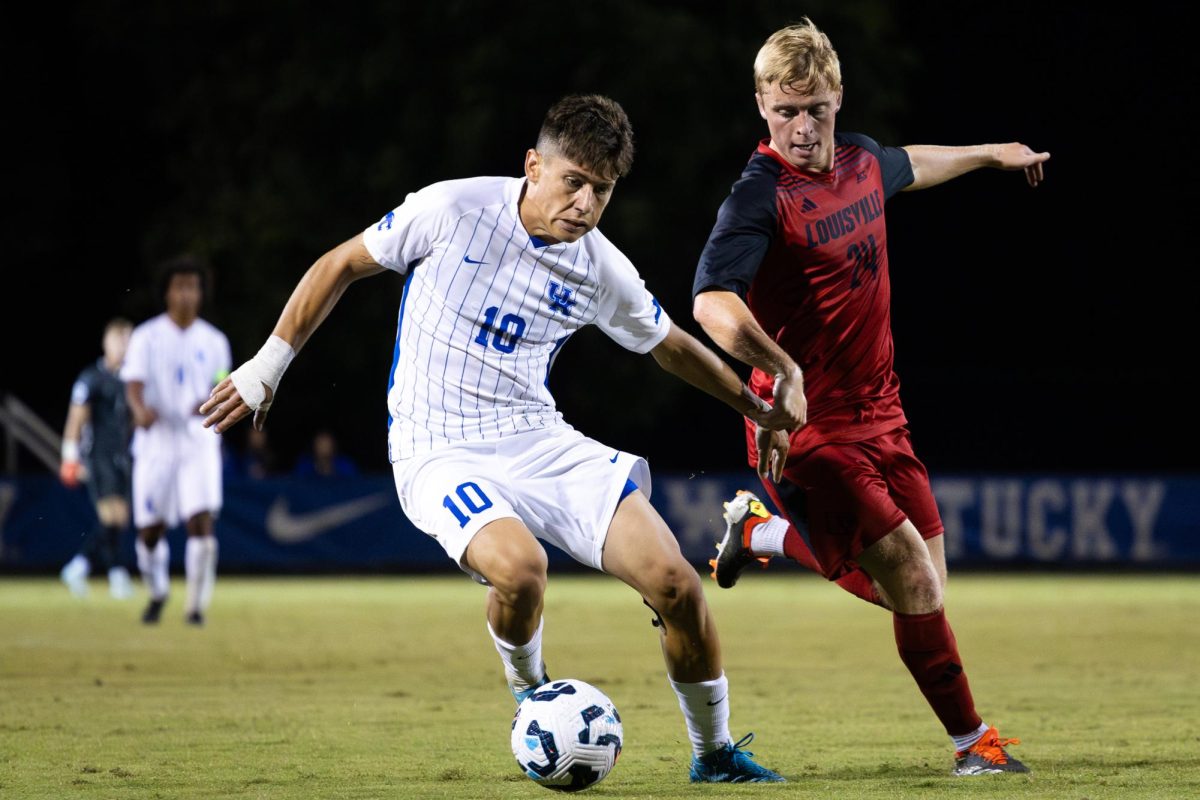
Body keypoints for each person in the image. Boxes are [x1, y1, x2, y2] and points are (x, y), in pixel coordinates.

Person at [201, 95, 788, 783]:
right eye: (574, 180)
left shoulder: (602, 268)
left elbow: (670, 346)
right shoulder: (452, 210)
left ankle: (714, 754)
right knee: (520, 568)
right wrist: (267, 367)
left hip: (536, 438)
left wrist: (752, 403)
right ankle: (529, 687)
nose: (586, 203)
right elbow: (340, 265)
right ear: (533, 167)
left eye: (602, 190)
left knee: (676, 584)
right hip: (435, 447)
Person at [691, 19, 1048, 777]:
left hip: (883, 412)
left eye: (815, 108)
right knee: (914, 581)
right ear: (761, 104)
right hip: (806, 429)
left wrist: (989, 155)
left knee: (924, 595)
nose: (802, 127)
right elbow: (712, 301)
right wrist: (781, 370)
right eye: (786, 110)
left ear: (836, 98)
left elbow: (909, 164)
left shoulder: (857, 160)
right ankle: (973, 746)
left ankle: (761, 535)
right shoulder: (759, 196)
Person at [123, 256, 232, 626]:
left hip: (197, 441)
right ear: (167, 292)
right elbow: (133, 385)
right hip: (156, 441)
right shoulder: (146, 336)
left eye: (193, 286)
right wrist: (139, 410)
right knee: (150, 530)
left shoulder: (215, 341)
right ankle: (157, 591)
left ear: (201, 293)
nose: (186, 294)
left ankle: (195, 607)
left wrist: (210, 401)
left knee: (200, 522)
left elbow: (222, 382)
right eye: (179, 286)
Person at [58, 317, 136, 599]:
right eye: (118, 339)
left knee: (120, 519)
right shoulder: (92, 378)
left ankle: (79, 567)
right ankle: (116, 575)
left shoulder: (132, 380)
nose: (123, 345)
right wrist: (70, 457)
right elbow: (76, 419)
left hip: (121, 457)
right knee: (110, 515)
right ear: (106, 342)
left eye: (128, 339)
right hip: (97, 455)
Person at [293, 429, 358, 478]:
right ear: (314, 446)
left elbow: (355, 484)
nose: (324, 448)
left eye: (327, 445)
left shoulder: (346, 464)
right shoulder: (304, 465)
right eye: (320, 444)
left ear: (333, 446)